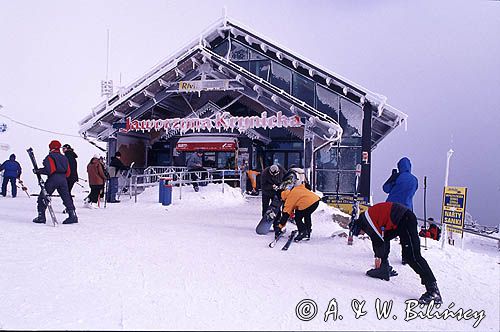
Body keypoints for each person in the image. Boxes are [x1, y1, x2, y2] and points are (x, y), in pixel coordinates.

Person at [349, 201, 442, 304]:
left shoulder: (367, 222)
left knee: (413, 257)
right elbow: (383, 238)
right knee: (388, 241)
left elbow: (377, 241)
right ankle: (384, 268)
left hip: (405, 219)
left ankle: (433, 291)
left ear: (359, 228)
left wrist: (378, 257)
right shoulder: (367, 217)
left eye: (360, 233)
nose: (362, 234)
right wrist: (381, 261)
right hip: (401, 220)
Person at [32, 140, 78, 224]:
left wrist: (38, 171)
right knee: (66, 197)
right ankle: (72, 215)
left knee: (43, 196)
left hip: (53, 179)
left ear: (51, 147)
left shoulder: (50, 157)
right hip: (63, 179)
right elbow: (68, 172)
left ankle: (41, 216)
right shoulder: (64, 157)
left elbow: (50, 170)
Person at [274, 168, 320, 242]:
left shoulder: (289, 198)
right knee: (306, 215)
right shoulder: (294, 189)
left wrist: (279, 227)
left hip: (307, 203)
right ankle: (308, 231)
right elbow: (305, 186)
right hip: (315, 200)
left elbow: (286, 214)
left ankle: (303, 232)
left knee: (298, 218)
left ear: (282, 196)